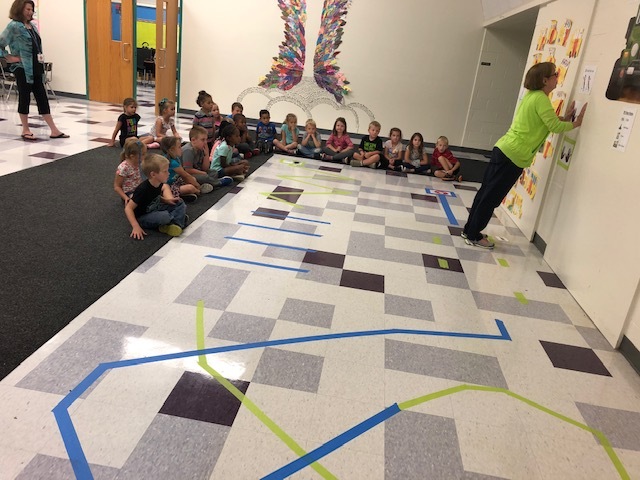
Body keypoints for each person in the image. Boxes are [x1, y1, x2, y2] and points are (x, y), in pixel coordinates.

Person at [462, 62, 587, 249]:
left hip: (504, 150)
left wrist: (565, 118)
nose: (557, 78)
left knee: (485, 193)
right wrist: (576, 123)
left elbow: (545, 122)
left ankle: (470, 230)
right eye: (555, 74)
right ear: (545, 80)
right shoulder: (541, 99)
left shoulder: (532, 96)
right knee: (491, 198)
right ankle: (473, 235)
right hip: (512, 156)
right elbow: (554, 126)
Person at [0, 0, 68, 141]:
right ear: (19, 9)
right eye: (27, 9)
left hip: (36, 66)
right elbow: (1, 43)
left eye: (32, 9)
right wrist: (10, 57)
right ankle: (25, 129)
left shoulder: (32, 26)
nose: (30, 12)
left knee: (42, 97)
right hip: (22, 68)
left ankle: (54, 130)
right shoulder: (14, 26)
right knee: (24, 97)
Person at [125, 154, 187, 240]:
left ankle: (175, 223)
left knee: (179, 202)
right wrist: (135, 226)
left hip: (156, 208)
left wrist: (166, 201)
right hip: (143, 217)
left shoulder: (159, 183)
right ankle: (176, 220)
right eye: (165, 171)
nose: (168, 173)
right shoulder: (143, 189)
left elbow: (155, 197)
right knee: (164, 216)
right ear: (153, 174)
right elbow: (128, 208)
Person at [182, 126, 233, 190]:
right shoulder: (188, 150)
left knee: (214, 172)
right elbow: (188, 170)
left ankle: (207, 184)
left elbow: (205, 168)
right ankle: (218, 183)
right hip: (186, 175)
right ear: (193, 140)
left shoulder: (200, 149)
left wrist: (206, 154)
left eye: (206, 139)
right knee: (204, 177)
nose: (205, 142)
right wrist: (202, 173)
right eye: (203, 140)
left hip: (197, 172)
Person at [160, 136, 205, 202]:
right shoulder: (172, 163)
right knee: (190, 188)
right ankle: (195, 192)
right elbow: (185, 175)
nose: (181, 149)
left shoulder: (175, 158)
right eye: (179, 147)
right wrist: (197, 187)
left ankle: (183, 194)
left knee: (193, 179)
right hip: (169, 186)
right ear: (171, 150)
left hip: (176, 181)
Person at [114, 137, 146, 203]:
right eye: (143, 154)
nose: (145, 156)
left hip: (139, 189)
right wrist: (125, 198)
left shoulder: (139, 163)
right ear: (132, 156)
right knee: (140, 200)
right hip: (129, 193)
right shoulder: (123, 168)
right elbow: (117, 186)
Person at [192, 90, 216, 155]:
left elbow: (213, 126)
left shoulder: (211, 115)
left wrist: (213, 137)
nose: (211, 105)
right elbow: (194, 127)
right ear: (202, 104)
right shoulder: (198, 115)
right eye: (209, 103)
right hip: (201, 141)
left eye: (212, 102)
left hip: (210, 140)